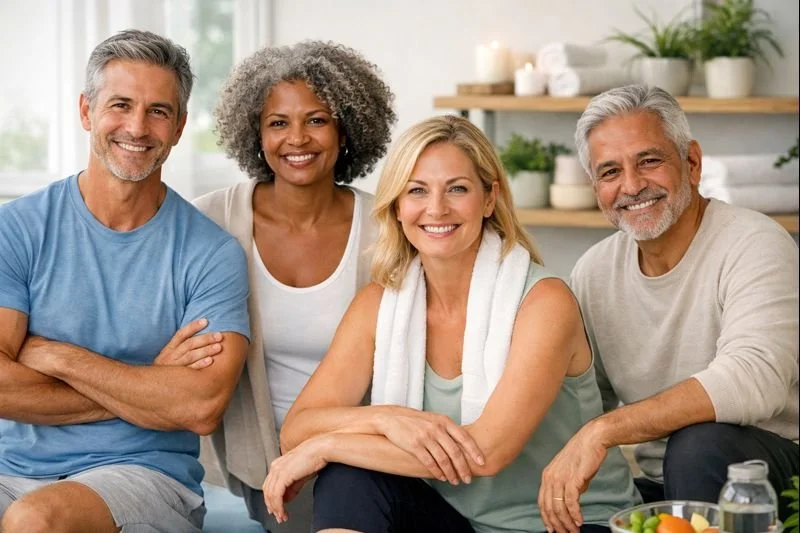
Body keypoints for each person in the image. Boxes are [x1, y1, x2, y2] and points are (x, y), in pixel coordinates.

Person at [260, 115, 641, 533]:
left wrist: (329, 444)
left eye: (457, 189)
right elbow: (296, 429)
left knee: (341, 460)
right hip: (452, 521)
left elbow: (485, 452)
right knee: (349, 478)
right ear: (398, 206)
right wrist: (384, 420)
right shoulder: (379, 304)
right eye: (417, 191)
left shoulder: (544, 302)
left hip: (565, 524)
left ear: (489, 199)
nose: (436, 208)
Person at [0, 30, 251, 533]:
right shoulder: (18, 229)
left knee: (36, 522)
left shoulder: (211, 253)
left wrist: (59, 356)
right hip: (11, 468)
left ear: (179, 126)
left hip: (144, 474)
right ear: (87, 111)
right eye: (120, 104)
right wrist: (147, 383)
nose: (138, 127)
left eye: (159, 110)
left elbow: (199, 407)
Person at [540, 84, 799, 531]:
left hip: (765, 478)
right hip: (664, 488)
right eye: (609, 172)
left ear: (692, 163)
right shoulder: (594, 271)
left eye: (649, 161)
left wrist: (603, 432)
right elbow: (584, 402)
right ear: (596, 188)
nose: (632, 186)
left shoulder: (755, 243)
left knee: (699, 445)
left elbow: (756, 378)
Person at [192, 40, 396, 531]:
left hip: (358, 463)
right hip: (246, 466)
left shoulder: (388, 226)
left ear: (347, 128)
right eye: (278, 122)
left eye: (317, 120)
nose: (297, 139)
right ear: (255, 133)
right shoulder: (211, 219)